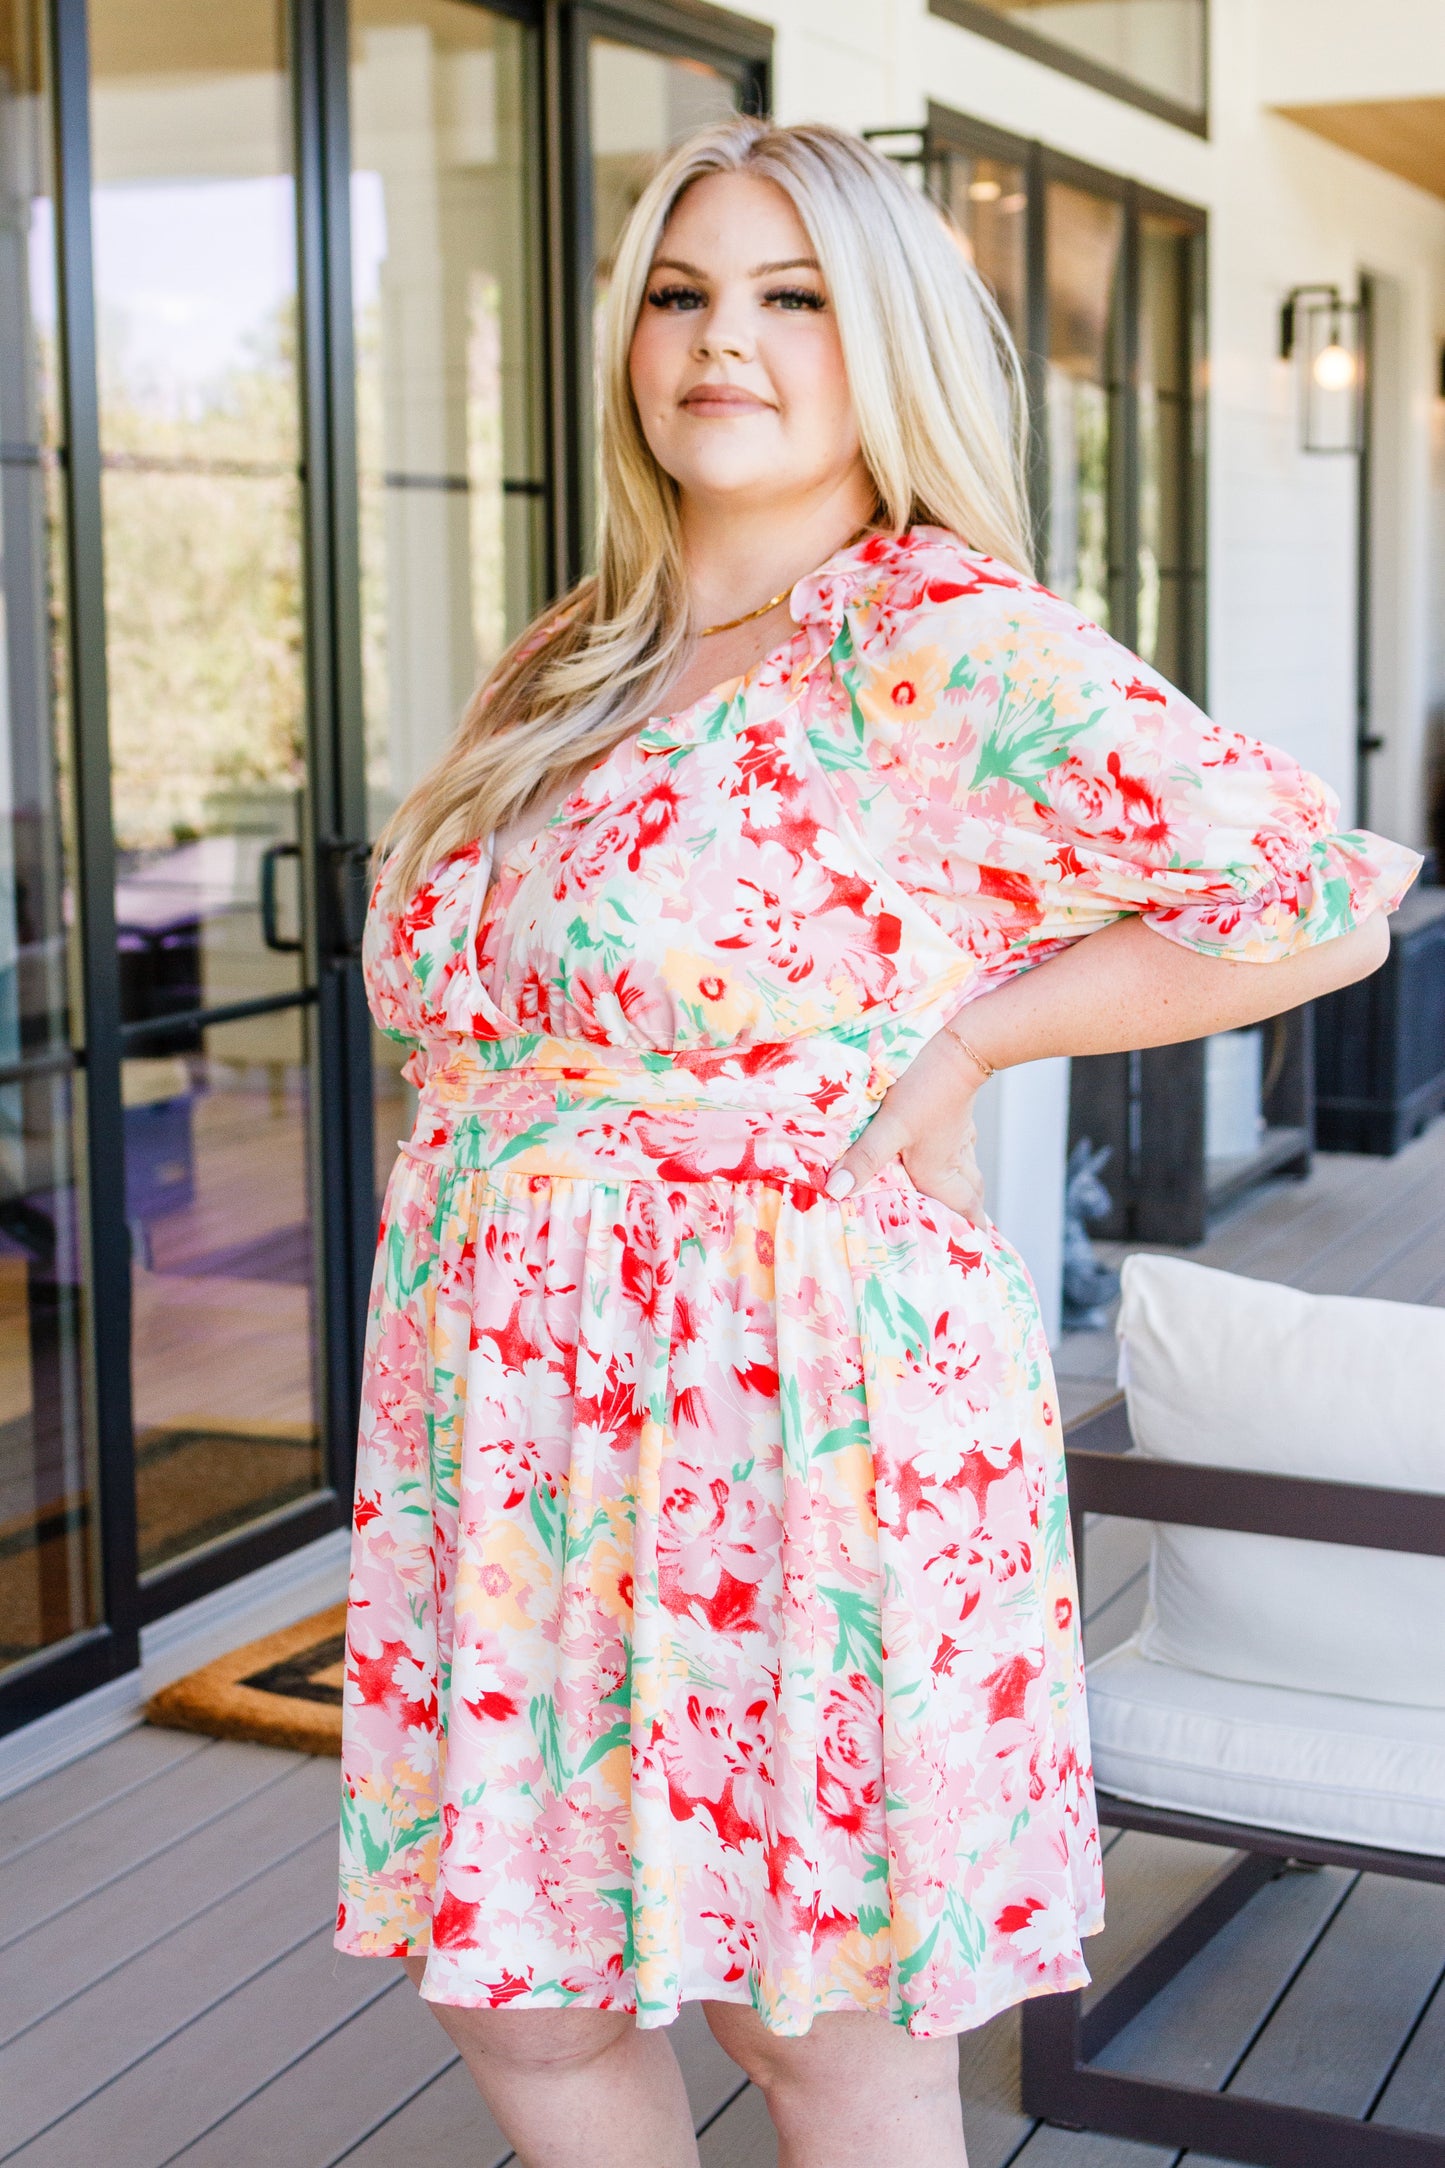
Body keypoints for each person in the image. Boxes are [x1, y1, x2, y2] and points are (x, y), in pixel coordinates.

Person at [336, 117, 1419, 2168]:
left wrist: (976, 1039)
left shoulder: (934, 635)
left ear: (887, 338)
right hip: (519, 1410)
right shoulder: (575, 646)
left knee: (814, 2020)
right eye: (679, 292)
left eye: (792, 295)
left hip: (790, 1397)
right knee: (515, 1987)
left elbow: (1313, 903)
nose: (719, 340)